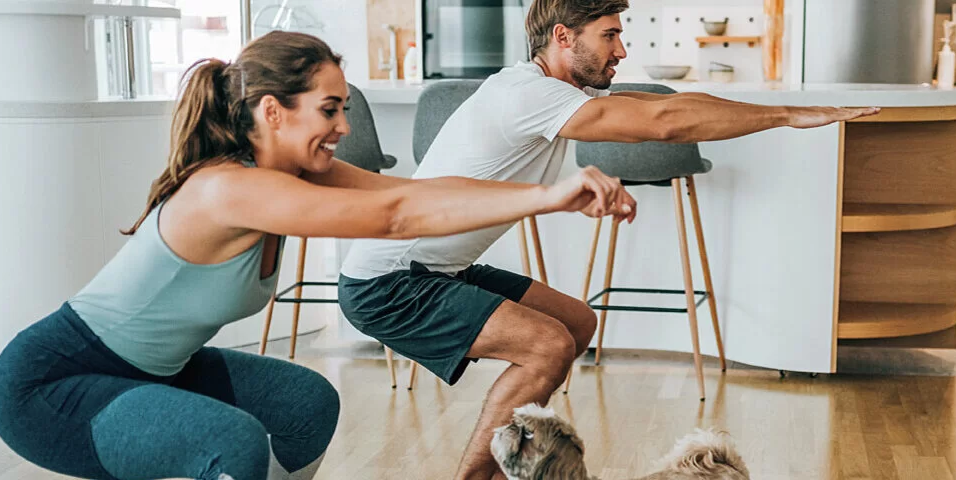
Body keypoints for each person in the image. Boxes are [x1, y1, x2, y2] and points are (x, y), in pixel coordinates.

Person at [0, 31, 634, 480]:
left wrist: (550, 192)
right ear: (274, 111)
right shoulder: (227, 188)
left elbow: (415, 194)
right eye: (329, 109)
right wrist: (549, 196)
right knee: (231, 442)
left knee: (306, 403)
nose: (344, 127)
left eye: (344, 109)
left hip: (155, 371)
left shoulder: (293, 175)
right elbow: (396, 217)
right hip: (52, 384)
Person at [335, 0, 881, 478]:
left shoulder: (543, 88)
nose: (622, 48)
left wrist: (781, 112)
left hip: (434, 270)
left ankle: (505, 472)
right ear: (563, 37)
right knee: (546, 345)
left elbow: (659, 107)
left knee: (575, 323)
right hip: (389, 280)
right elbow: (667, 121)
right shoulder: (529, 94)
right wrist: (789, 114)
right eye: (610, 34)